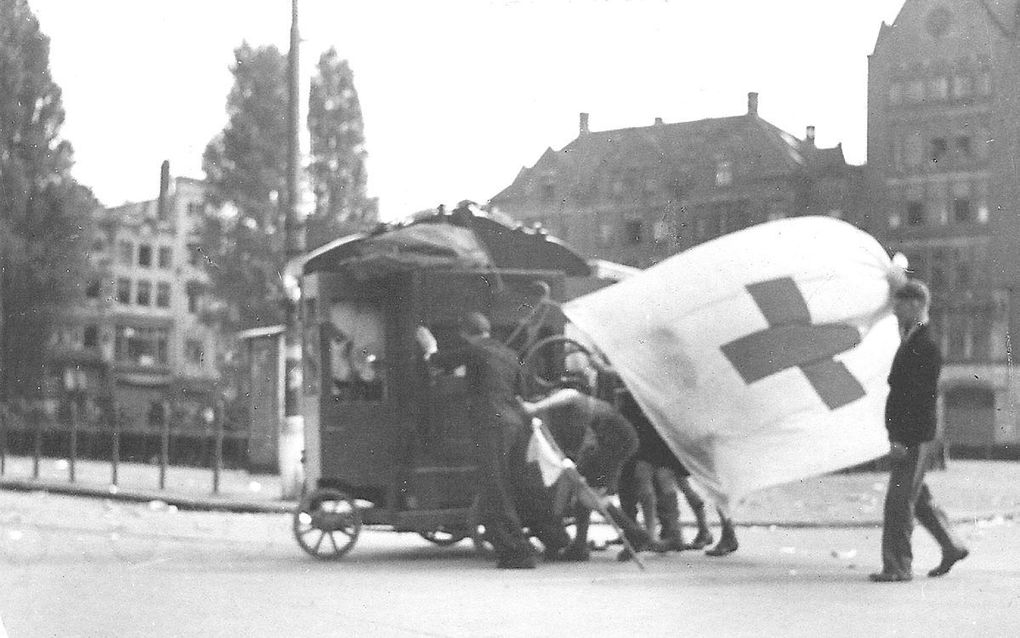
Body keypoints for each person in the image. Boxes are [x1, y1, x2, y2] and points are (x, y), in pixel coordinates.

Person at [417, 311, 563, 569]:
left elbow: (438, 363)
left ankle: (516, 552)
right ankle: (556, 539)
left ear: (465, 333)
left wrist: (430, 347)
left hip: (491, 424)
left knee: (495, 486)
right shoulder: (508, 353)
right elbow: (521, 391)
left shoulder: (475, 350)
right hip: (515, 423)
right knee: (522, 482)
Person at [870, 279, 969, 583]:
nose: (895, 311)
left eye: (899, 305)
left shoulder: (925, 344)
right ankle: (952, 546)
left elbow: (919, 398)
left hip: (912, 436)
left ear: (914, 305)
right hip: (914, 435)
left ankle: (898, 566)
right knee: (916, 497)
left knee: (899, 503)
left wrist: (900, 438)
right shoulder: (915, 337)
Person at [520, 373, 659, 562]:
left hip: (614, 438)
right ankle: (580, 544)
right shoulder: (581, 413)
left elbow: (570, 395)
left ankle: (635, 533)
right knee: (584, 490)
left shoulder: (572, 399)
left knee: (590, 493)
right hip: (616, 439)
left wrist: (536, 407)